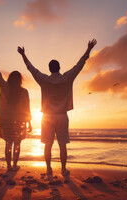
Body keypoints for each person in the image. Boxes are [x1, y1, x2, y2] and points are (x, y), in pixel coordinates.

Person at [17, 39, 97, 178]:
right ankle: (63, 169)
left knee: (47, 145)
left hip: (47, 117)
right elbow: (79, 65)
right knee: (62, 145)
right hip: (62, 116)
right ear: (59, 68)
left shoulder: (44, 79)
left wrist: (23, 55)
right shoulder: (67, 78)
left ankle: (48, 169)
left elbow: (31, 69)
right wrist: (88, 49)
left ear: (50, 69)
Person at [0, 50, 32, 171]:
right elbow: (27, 109)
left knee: (8, 144)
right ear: (20, 80)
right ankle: (15, 165)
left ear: (10, 78)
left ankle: (9, 166)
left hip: (6, 122)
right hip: (19, 122)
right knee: (17, 144)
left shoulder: (5, 87)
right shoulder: (24, 92)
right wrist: (29, 123)